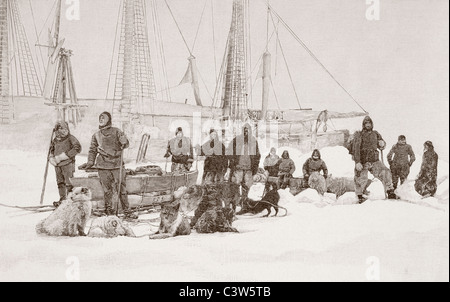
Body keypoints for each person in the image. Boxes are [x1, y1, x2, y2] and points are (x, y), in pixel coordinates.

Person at [85, 112, 137, 219]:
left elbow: (126, 144)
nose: (101, 119)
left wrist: (124, 141)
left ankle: (127, 211)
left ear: (108, 119)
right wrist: (90, 162)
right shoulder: (96, 135)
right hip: (103, 166)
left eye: (103, 117)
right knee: (107, 190)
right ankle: (109, 212)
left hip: (117, 165)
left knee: (121, 189)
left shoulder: (117, 131)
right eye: (100, 117)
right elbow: (92, 150)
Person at [352, 116, 396, 203]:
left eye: (369, 123)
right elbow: (356, 149)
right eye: (366, 123)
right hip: (363, 161)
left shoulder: (375, 134)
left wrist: (382, 144)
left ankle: (390, 190)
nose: (368, 125)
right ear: (363, 125)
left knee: (385, 172)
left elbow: (381, 143)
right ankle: (360, 195)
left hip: (374, 160)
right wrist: (357, 162)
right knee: (361, 177)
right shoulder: (359, 134)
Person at [49, 121, 82, 207]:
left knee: (69, 183)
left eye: (63, 128)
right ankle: (62, 199)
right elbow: (51, 150)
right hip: (57, 165)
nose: (62, 131)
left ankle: (70, 200)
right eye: (59, 129)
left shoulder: (71, 138)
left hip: (68, 164)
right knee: (60, 182)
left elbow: (77, 148)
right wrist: (51, 158)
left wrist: (64, 156)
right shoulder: (55, 140)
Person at [227, 122, 261, 204]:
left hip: (249, 168)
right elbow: (229, 151)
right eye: (245, 130)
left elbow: (257, 155)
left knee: (247, 186)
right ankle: (236, 201)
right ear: (242, 130)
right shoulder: (236, 140)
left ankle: (244, 202)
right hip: (238, 168)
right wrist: (232, 163)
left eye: (248, 130)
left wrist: (255, 167)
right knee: (235, 186)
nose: (246, 131)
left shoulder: (253, 141)